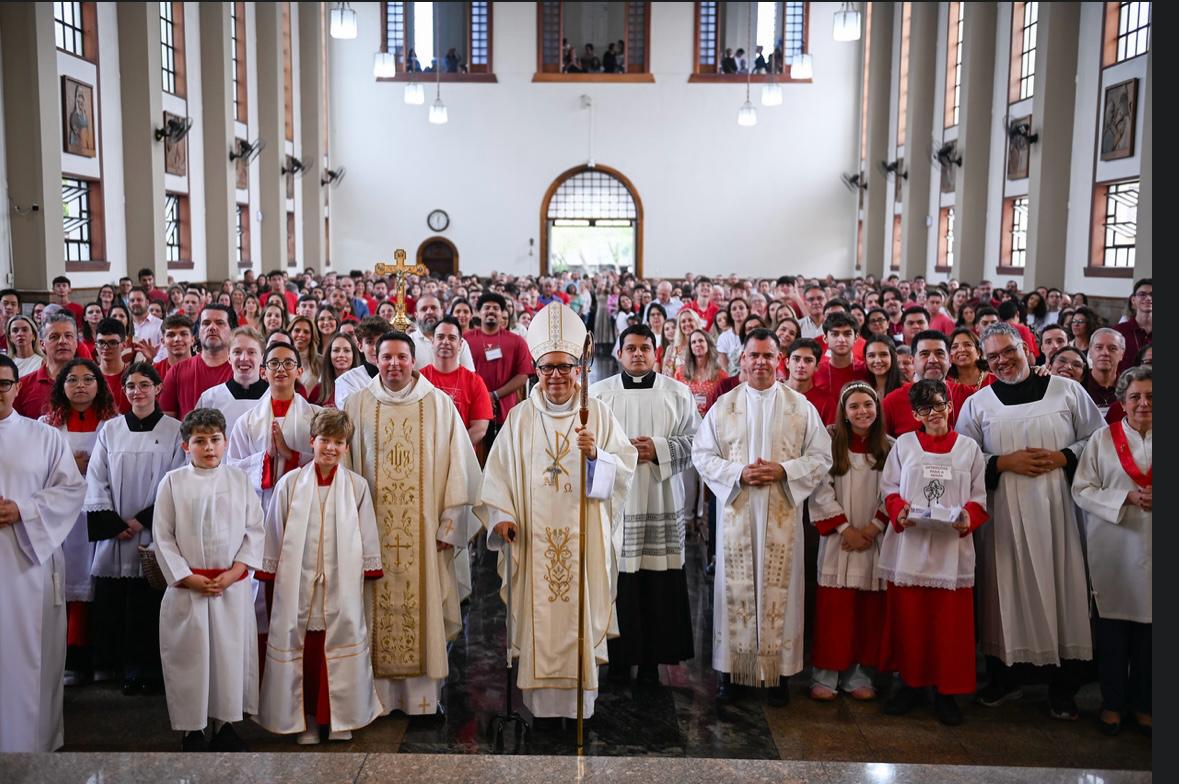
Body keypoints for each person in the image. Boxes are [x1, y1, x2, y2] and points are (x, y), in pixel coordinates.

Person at [477, 303, 637, 723]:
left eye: (564, 366)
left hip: (584, 538)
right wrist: (501, 516)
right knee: (540, 617)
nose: (556, 376)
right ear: (535, 370)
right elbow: (497, 476)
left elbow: (624, 469)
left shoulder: (597, 413)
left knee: (577, 611)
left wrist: (597, 455)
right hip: (532, 541)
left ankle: (580, 705)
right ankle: (543, 709)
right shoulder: (520, 418)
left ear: (578, 368)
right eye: (547, 367)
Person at [956, 323, 1104, 720]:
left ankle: (1063, 687)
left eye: (1009, 351)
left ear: (1027, 347)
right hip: (1004, 514)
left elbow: (1098, 439)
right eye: (993, 356)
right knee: (1005, 591)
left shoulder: (1067, 391)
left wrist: (1063, 457)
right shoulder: (978, 404)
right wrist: (1002, 462)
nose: (1002, 361)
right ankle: (1006, 679)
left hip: (1060, 511)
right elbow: (962, 458)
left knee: (1062, 587)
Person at [344, 330, 482, 717]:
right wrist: (350, 528)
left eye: (401, 357)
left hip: (426, 536)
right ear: (375, 359)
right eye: (386, 357)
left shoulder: (438, 405)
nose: (394, 364)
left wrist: (450, 525)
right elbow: (345, 470)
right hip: (372, 535)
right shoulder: (357, 405)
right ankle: (378, 701)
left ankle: (423, 702)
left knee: (426, 611)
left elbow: (460, 466)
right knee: (372, 613)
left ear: (413, 360)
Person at [692, 328, 832, 706]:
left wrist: (784, 470)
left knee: (780, 594)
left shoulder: (800, 406)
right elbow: (702, 454)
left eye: (768, 355)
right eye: (753, 355)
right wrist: (738, 473)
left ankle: (778, 674)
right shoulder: (725, 405)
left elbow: (821, 456)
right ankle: (730, 672)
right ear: (742, 359)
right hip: (737, 511)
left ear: (778, 360)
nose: (760, 362)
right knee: (732, 594)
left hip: (781, 512)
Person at [256, 409, 384, 744]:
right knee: (306, 651)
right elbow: (274, 531)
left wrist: (369, 566)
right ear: (312, 441)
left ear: (346, 448)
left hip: (341, 584)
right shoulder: (290, 484)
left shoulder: (356, 486)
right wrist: (270, 570)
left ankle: (341, 719)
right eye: (324, 440)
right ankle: (308, 720)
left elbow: (367, 533)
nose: (330, 448)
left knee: (338, 645)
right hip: (298, 584)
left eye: (338, 442)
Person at [152, 408, 265, 751]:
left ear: (226, 442)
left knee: (229, 658)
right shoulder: (173, 482)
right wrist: (186, 577)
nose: (209, 447)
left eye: (215, 439)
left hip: (230, 588)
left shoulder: (238, 481)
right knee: (191, 660)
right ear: (186, 446)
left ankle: (225, 724)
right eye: (200, 441)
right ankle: (192, 729)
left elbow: (254, 530)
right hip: (190, 589)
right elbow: (163, 537)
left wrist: (234, 573)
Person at [591, 325, 700, 683]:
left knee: (658, 578)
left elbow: (698, 443)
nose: (638, 354)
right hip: (617, 502)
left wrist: (659, 449)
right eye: (631, 348)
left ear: (656, 353)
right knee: (619, 578)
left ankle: (653, 662)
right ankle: (618, 659)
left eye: (645, 348)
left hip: (661, 498)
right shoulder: (599, 395)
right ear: (619, 353)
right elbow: (586, 445)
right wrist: (619, 455)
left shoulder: (678, 393)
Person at [878, 380, 989, 726]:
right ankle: (911, 685)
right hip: (910, 546)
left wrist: (968, 516)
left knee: (949, 626)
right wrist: (898, 509)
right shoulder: (904, 445)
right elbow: (889, 487)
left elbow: (979, 496)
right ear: (915, 415)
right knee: (911, 621)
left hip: (950, 550)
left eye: (939, 405)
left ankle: (946, 692)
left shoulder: (969, 448)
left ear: (950, 406)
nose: (934, 413)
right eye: (925, 409)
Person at [0, 354, 86, 752]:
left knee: (29, 657)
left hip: (28, 562)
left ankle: (32, 744)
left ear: (18, 387)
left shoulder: (45, 437)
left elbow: (71, 490)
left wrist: (23, 510)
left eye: (4, 384)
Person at [83, 362, 184, 696]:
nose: (137, 391)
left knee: (148, 603)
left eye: (144, 385)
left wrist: (143, 520)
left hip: (153, 532)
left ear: (158, 389)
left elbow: (178, 479)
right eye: (130, 386)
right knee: (115, 604)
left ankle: (150, 670)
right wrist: (112, 524)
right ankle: (118, 666)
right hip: (116, 534)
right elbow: (96, 477)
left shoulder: (175, 430)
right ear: (123, 391)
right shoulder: (110, 430)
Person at [1072, 366, 1151, 737]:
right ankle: (1112, 703)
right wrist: (1126, 497)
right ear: (1123, 401)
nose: (1144, 403)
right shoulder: (1103, 439)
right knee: (1114, 633)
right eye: (1135, 396)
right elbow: (1082, 490)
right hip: (1115, 547)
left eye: (1151, 396)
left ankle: (1146, 704)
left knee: (1153, 637)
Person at [806, 382, 891, 703]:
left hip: (873, 539)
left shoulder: (891, 447)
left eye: (868, 405)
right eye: (854, 406)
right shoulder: (829, 444)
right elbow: (820, 489)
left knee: (867, 612)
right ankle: (825, 674)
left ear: (877, 408)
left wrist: (873, 528)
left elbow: (896, 489)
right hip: (838, 541)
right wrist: (845, 529)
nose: (862, 411)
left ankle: (858, 675)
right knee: (834, 611)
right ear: (843, 412)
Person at [41, 359, 119, 688]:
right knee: (66, 587)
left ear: (100, 385)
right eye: (72, 380)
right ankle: (70, 659)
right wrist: (68, 465)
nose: (81, 386)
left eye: (88, 379)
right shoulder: (47, 427)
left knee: (101, 587)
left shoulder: (113, 425)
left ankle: (101, 659)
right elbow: (35, 469)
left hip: (99, 515)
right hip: (61, 520)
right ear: (62, 387)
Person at [464, 293, 534, 434]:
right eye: (487, 307)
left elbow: (523, 375)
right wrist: (482, 395)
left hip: (505, 410)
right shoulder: (465, 340)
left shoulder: (517, 341)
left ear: (502, 314)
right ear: (478, 312)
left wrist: (495, 395)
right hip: (472, 408)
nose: (491, 311)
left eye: (496, 308)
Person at [420, 316, 493, 449]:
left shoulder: (475, 382)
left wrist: (451, 449)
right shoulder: (418, 379)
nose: (445, 342)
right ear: (432, 341)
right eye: (440, 337)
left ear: (460, 344)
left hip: (460, 454)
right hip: (425, 452)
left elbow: (480, 428)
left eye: (452, 338)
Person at [159, 305, 234, 420]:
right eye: (206, 323)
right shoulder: (176, 371)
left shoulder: (241, 372)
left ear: (231, 332)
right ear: (198, 332)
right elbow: (166, 422)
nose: (212, 327)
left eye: (220, 323)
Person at [15, 313, 84, 419]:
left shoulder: (92, 383)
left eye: (68, 336)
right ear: (42, 344)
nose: (62, 341)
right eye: (54, 337)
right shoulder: (23, 386)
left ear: (76, 343)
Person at [784, 338, 836, 425]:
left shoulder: (826, 402)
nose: (801, 365)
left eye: (808, 360)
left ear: (817, 366)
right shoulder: (773, 393)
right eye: (796, 359)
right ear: (787, 363)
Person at [310, 332, 361, 408]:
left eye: (346, 350)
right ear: (329, 354)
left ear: (353, 355)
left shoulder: (364, 386)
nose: (341, 355)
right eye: (336, 350)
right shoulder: (318, 390)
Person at [1082, 328, 1125, 415]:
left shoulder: (1129, 387)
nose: (1105, 353)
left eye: (1112, 348)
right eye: (1099, 347)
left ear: (1122, 354)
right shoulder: (1078, 385)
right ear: (1090, 352)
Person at [93, 318, 131, 414]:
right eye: (101, 342)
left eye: (113, 343)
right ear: (96, 345)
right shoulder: (89, 377)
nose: (106, 347)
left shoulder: (133, 376)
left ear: (124, 345)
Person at [1113, 278, 1150, 374]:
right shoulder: (1118, 331)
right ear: (1133, 300)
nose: (1148, 298)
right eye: (1142, 294)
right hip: (1124, 381)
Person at [864, 335, 904, 401]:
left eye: (883, 354)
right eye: (871, 356)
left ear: (894, 356)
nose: (878, 360)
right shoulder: (864, 391)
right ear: (865, 359)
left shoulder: (906, 390)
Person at [289, 316, 321, 391]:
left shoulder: (321, 362)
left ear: (312, 336)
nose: (301, 335)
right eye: (297, 330)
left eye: (306, 332)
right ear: (290, 333)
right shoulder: (281, 359)